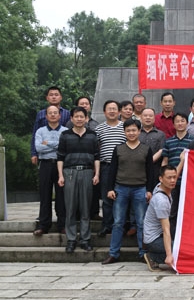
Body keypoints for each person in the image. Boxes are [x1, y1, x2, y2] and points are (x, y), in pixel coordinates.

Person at [101, 119, 154, 265]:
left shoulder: (146, 149)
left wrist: (149, 190)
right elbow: (112, 170)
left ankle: (143, 253)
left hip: (140, 189)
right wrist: (110, 188)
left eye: (134, 130)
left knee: (141, 223)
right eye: (128, 130)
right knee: (118, 222)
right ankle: (113, 254)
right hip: (121, 188)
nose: (131, 133)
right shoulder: (118, 149)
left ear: (139, 131)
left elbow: (150, 171)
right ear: (124, 132)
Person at [57, 107, 100, 254]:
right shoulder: (65, 135)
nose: (79, 119)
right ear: (71, 119)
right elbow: (60, 157)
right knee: (70, 206)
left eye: (82, 116)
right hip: (69, 172)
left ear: (86, 118)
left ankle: (85, 239)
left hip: (87, 172)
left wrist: (97, 174)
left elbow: (97, 156)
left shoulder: (92, 135)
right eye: (76, 117)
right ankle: (71, 239)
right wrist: (60, 175)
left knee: (85, 207)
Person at [33, 105, 68, 235]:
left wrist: (47, 143)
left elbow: (66, 148)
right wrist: (57, 145)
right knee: (45, 195)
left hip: (61, 165)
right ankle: (43, 225)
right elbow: (38, 148)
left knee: (62, 196)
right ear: (46, 116)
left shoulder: (66, 131)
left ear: (59, 115)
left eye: (55, 112)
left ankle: (62, 225)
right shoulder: (40, 131)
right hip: (45, 164)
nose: (53, 115)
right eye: (50, 113)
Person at [161, 113, 194, 236]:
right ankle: (172, 238)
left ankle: (186, 236)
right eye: (177, 121)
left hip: (187, 183)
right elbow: (165, 161)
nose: (180, 123)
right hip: (171, 183)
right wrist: (163, 179)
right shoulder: (168, 142)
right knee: (172, 211)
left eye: (182, 121)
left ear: (187, 123)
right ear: (173, 124)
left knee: (187, 211)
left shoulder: (193, 141)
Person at [96, 100, 126, 238]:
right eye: (109, 109)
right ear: (104, 112)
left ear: (119, 111)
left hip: (122, 167)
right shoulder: (99, 129)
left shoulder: (125, 127)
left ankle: (120, 225)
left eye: (114, 109)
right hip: (106, 167)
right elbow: (96, 149)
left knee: (122, 196)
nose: (112, 111)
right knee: (106, 197)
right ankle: (106, 225)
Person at [143, 165, 178, 272]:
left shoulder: (160, 186)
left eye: (174, 177)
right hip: (153, 239)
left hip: (158, 234)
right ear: (161, 179)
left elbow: (172, 174)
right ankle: (153, 257)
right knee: (180, 251)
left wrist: (182, 161)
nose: (172, 180)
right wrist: (169, 255)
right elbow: (166, 230)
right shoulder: (161, 201)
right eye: (169, 178)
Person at [31, 86, 70, 165]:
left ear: (61, 97)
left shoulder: (67, 114)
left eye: (56, 95)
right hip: (44, 155)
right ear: (47, 98)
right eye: (51, 95)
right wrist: (34, 153)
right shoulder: (41, 114)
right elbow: (35, 133)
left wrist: (48, 143)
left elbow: (69, 136)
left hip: (62, 154)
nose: (54, 97)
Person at [139, 108, 166, 188]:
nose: (148, 118)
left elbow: (161, 150)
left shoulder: (161, 134)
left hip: (155, 169)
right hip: (138, 169)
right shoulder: (136, 133)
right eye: (145, 116)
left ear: (154, 118)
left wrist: (149, 161)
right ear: (141, 117)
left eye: (150, 116)